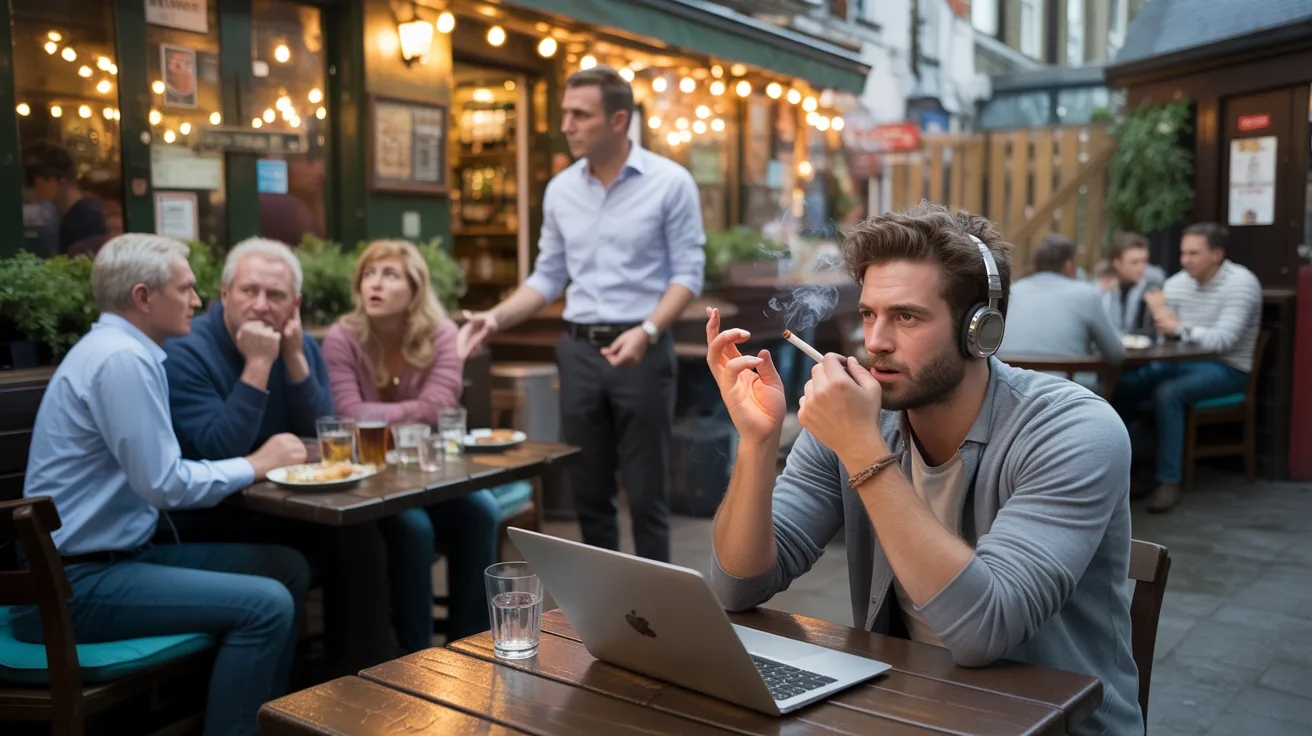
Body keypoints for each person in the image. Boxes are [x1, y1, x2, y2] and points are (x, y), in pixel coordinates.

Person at [704, 203, 1142, 736]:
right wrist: (756, 440)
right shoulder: (860, 420)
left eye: (906, 316)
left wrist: (862, 450)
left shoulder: (1075, 430)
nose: (875, 342)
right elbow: (737, 586)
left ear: (979, 330)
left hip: (1049, 725)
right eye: (869, 314)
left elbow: (984, 629)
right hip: (907, 710)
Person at [16, 234, 310, 736]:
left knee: (288, 567)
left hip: (117, 559)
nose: (197, 301)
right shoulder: (120, 360)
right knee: (269, 604)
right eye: (187, 288)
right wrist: (257, 463)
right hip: (72, 584)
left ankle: (262, 720)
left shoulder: (125, 350)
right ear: (142, 297)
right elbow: (166, 486)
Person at [457, 65, 706, 563]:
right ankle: (605, 616)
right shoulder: (560, 189)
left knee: (647, 496)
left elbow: (688, 274)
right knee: (590, 496)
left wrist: (648, 330)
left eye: (579, 114)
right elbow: (547, 277)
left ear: (619, 120)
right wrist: (495, 318)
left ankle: (659, 620)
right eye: (565, 113)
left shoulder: (670, 183)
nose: (565, 124)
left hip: (643, 350)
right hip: (578, 353)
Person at [162, 236, 396, 671]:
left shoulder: (300, 345)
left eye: (276, 295)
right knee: (355, 540)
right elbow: (215, 450)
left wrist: (293, 361)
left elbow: (325, 436)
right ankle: (336, 684)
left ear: (296, 304)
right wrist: (257, 365)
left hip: (289, 509)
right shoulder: (185, 350)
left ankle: (373, 675)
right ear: (225, 294)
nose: (261, 305)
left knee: (390, 528)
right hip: (212, 517)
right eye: (249, 291)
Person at [323, 239, 500, 646]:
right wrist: (413, 412)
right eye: (368, 274)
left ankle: (471, 645)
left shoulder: (441, 333)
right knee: (414, 529)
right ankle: (414, 654)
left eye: (389, 275)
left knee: (482, 510)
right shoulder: (342, 337)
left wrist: (380, 415)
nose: (375, 284)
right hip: (367, 476)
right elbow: (347, 414)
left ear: (415, 288)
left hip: (424, 470)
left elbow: (439, 406)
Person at [1114, 223, 1262, 512]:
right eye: (1183, 253)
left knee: (1169, 393)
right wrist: (1162, 324)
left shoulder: (1241, 284)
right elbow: (1166, 333)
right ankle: (1122, 468)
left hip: (1229, 369)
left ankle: (1169, 482)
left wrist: (1180, 328)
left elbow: (1223, 341)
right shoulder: (1178, 283)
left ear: (1217, 254)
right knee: (1127, 384)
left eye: (1194, 253)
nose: (1185, 260)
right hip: (1181, 363)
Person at [997, 233, 1124, 392]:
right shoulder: (1087, 294)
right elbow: (1116, 354)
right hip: (1071, 396)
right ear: (1070, 265)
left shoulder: (1011, 292)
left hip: (1010, 392)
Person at [21, 140, 110, 255]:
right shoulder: (74, 215)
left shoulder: (86, 218)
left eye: (31, 181)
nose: (28, 190)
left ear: (53, 179)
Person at [1100, 231, 1166, 335]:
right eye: (1134, 262)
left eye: (1144, 261)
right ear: (1117, 264)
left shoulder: (1152, 284)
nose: (1141, 268)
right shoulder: (1105, 287)